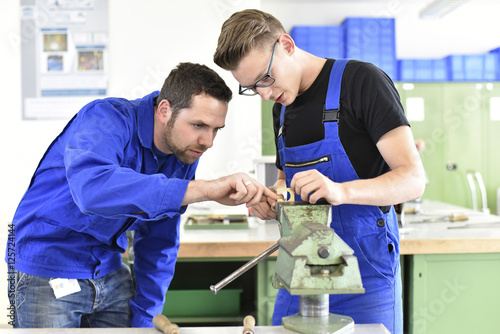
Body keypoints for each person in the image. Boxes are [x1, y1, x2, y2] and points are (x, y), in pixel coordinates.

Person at [8, 62, 278, 328]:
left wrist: (147, 318)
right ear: (164, 111)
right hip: (48, 267)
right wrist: (203, 190)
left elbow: (159, 241)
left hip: (109, 268)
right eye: (198, 125)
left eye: (216, 129)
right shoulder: (105, 119)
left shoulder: (183, 152)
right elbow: (92, 191)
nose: (208, 141)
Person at [214, 9, 426, 334]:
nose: (265, 94)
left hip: (365, 267)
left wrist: (343, 191)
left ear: (286, 44)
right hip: (300, 266)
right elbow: (285, 181)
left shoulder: (362, 82)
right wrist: (274, 202)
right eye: (251, 88)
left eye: (265, 79)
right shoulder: (281, 111)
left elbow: (413, 179)